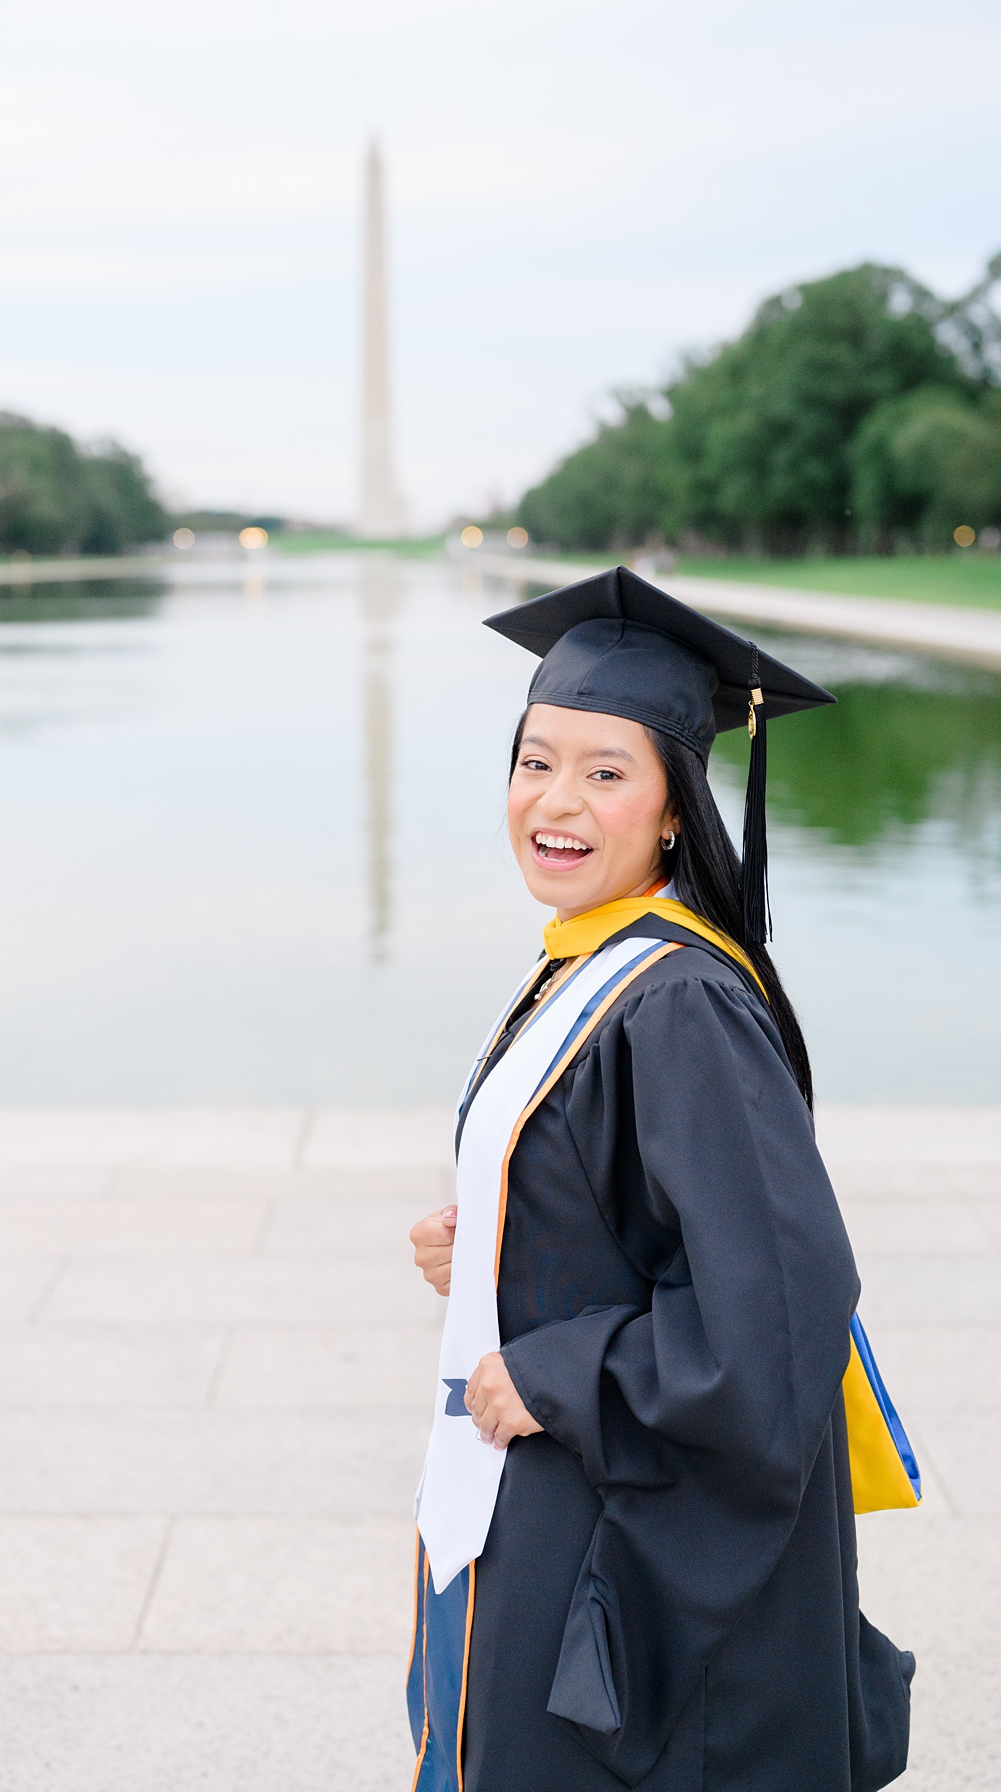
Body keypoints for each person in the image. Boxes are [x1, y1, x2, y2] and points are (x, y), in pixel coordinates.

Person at [404, 568, 916, 1790]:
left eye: (605, 770)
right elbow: (632, 1209)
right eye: (535, 761)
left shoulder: (678, 998)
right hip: (530, 1484)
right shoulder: (589, 959)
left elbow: (772, 1313)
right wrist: (491, 1242)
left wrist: (554, 1366)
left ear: (678, 807)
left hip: (607, 1523)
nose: (555, 801)